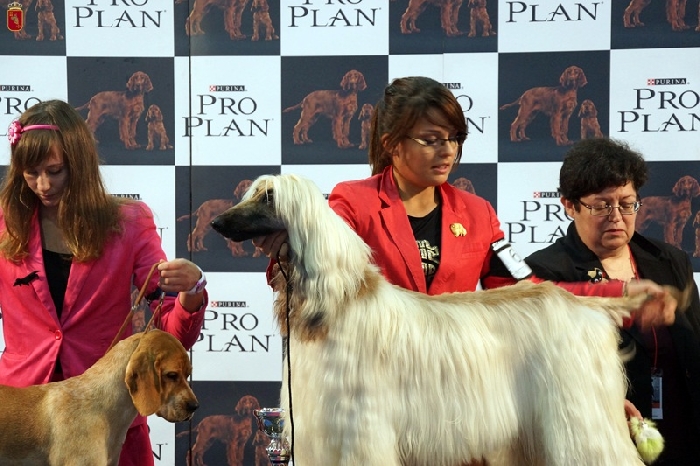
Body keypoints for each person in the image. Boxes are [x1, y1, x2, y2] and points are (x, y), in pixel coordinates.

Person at [0, 99, 207, 466]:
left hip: (109, 418)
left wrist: (191, 292)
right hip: (19, 421)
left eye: (55, 171)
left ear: (79, 164)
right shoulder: (4, 224)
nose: (43, 185)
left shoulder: (129, 222)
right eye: (31, 173)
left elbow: (170, 332)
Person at [525, 137, 700, 465]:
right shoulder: (546, 271)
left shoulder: (669, 260)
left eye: (627, 203)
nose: (617, 217)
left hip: (682, 432)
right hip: (603, 436)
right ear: (569, 205)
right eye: (601, 206)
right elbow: (545, 373)